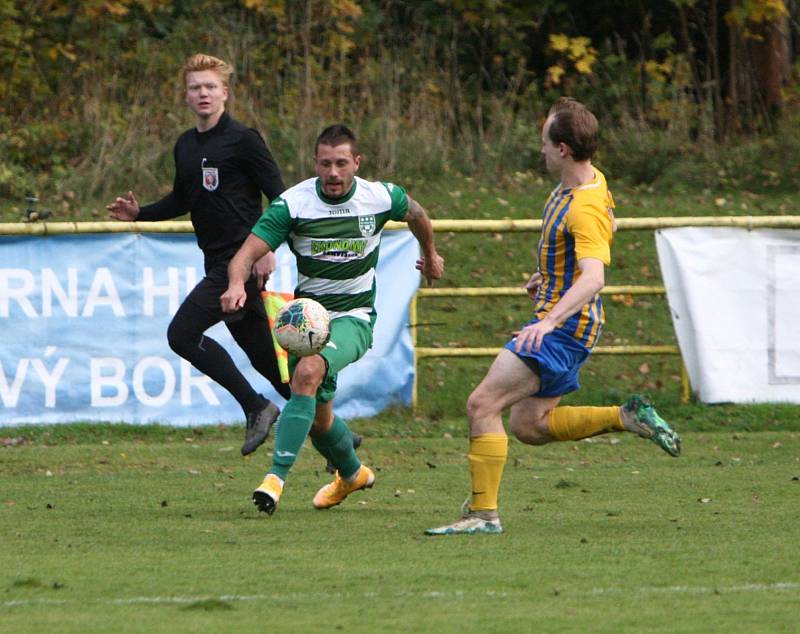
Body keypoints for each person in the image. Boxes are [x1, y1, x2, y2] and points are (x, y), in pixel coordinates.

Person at [425, 97, 680, 536]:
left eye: (545, 140)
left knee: (481, 404)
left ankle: (483, 515)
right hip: (571, 324)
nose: (539, 148)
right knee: (530, 426)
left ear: (562, 148)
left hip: (563, 330)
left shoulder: (582, 204)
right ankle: (626, 416)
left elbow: (594, 277)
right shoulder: (591, 182)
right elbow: (606, 228)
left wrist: (548, 321)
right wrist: (547, 273)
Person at [221, 124, 444, 515]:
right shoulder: (294, 205)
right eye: (326, 164)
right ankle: (352, 474)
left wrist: (431, 253)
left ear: (357, 163)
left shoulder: (378, 197)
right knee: (318, 419)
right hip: (307, 321)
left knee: (308, 373)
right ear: (315, 164)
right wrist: (236, 283)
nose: (334, 173)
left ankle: (275, 479)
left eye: (342, 163)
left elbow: (418, 213)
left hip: (354, 318)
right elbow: (246, 253)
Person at [106, 53, 291, 456]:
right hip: (217, 264)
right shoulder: (186, 145)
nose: (203, 93)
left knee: (182, 334)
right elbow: (183, 199)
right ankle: (339, 439)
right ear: (186, 96)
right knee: (268, 363)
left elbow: (282, 200)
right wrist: (141, 215)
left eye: (210, 86)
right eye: (195, 87)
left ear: (224, 93)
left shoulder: (244, 139)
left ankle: (256, 407)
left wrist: (266, 248)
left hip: (239, 264)